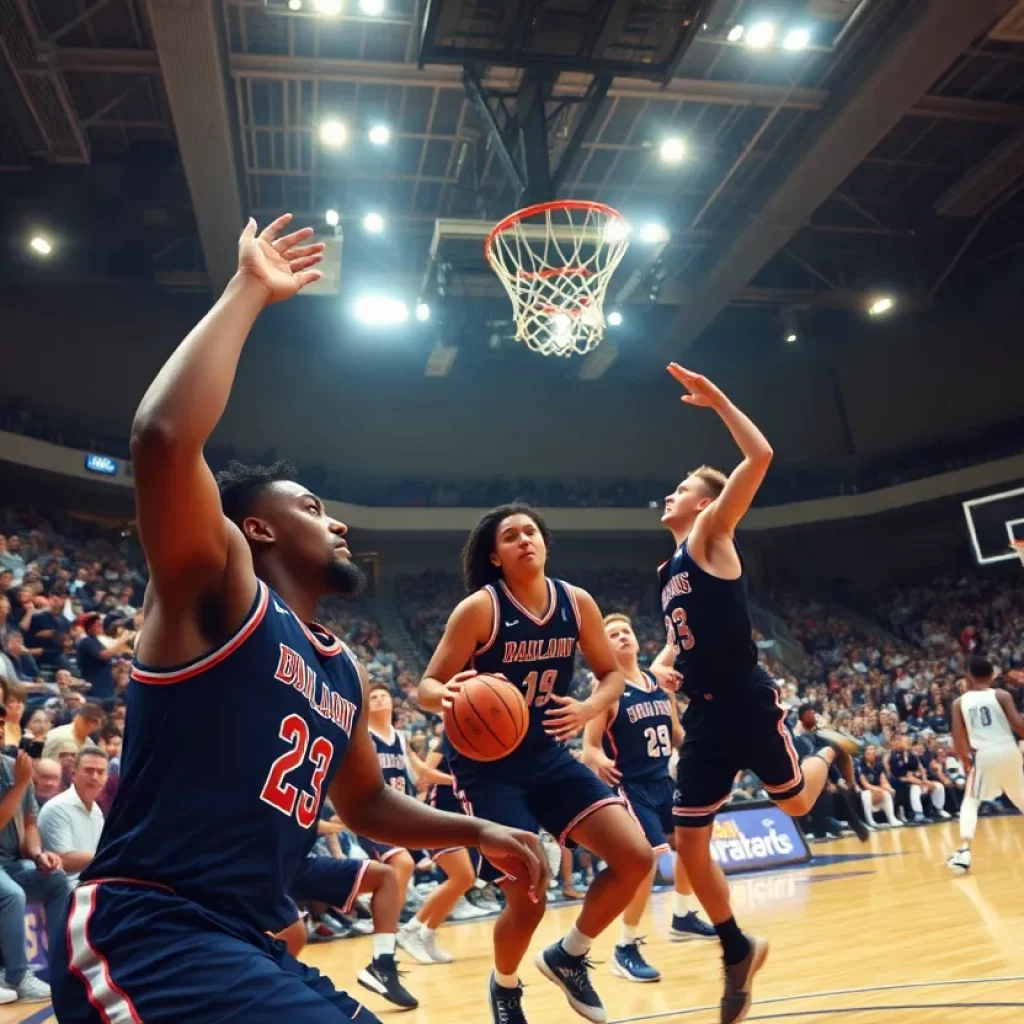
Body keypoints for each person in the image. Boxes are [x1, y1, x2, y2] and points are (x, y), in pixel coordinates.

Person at [49, 213, 546, 1024]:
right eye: (314, 508)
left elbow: (367, 807)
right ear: (259, 528)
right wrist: (250, 289)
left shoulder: (342, 668)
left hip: (243, 937)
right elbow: (163, 437)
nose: (338, 522)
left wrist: (480, 829)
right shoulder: (219, 590)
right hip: (150, 928)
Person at [652, 364, 863, 1024]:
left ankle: (831, 746)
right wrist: (664, 661)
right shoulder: (668, 571)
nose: (672, 493)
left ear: (706, 502)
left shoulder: (712, 535)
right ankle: (737, 948)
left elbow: (761, 455)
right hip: (705, 716)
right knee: (689, 846)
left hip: (746, 700)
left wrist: (716, 400)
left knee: (798, 799)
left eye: (683, 488)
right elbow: (680, 634)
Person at [418, 503, 654, 1024]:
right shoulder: (480, 609)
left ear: (545, 544)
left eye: (531, 532)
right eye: (510, 536)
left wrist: (591, 706)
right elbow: (425, 686)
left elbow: (610, 675)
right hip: (488, 770)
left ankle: (569, 955)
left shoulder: (577, 602)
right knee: (528, 895)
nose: (524, 540)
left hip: (549, 754)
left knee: (637, 857)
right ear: (496, 557)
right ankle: (505, 986)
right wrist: (449, 695)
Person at [582, 613, 714, 983]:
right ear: (603, 647)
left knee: (693, 842)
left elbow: (675, 734)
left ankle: (684, 916)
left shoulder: (659, 684)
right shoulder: (604, 689)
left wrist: (704, 755)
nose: (622, 637)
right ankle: (626, 948)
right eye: (612, 634)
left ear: (637, 641)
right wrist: (600, 760)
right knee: (647, 864)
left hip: (663, 783)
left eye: (626, 631)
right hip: (630, 787)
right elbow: (588, 748)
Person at [352, 682, 454, 966]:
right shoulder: (362, 736)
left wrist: (454, 781)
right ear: (366, 706)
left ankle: (387, 925)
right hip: (372, 814)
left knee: (447, 867)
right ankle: (387, 930)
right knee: (404, 864)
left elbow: (421, 771)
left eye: (385, 695)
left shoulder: (399, 736)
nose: (381, 699)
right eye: (374, 696)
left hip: (399, 814)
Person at [0, 740, 71, 1003]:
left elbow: (30, 824)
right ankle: (17, 977)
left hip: (12, 862)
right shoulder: (21, 776)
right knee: (11, 895)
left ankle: (59, 964)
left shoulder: (15, 768)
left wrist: (39, 853)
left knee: (56, 879)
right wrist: (19, 785)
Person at [946, 655, 1024, 873]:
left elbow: (958, 739)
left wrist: (964, 761)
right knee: (1020, 796)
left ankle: (963, 851)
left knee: (970, 802)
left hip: (985, 753)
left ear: (968, 676)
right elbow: (1019, 727)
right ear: (992, 675)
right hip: (1009, 749)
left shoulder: (959, 703)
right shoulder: (1002, 695)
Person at [38, 748, 109, 882]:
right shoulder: (57, 808)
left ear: (106, 778)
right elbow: (63, 859)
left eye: (100, 772)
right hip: (68, 887)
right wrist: (109, 854)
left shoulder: (97, 812)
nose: (94, 777)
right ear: (73, 774)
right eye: (88, 770)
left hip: (92, 882)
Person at [75, 612, 133, 707]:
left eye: (100, 623)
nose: (100, 626)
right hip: (95, 688)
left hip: (106, 686)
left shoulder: (98, 640)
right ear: (89, 627)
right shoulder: (86, 641)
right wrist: (122, 639)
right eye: (97, 624)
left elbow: (110, 656)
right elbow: (103, 656)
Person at [855, 745, 902, 829]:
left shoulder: (879, 765)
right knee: (867, 794)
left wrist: (889, 788)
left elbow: (883, 781)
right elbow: (865, 784)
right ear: (864, 753)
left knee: (887, 793)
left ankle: (892, 819)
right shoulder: (860, 764)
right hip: (862, 792)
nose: (872, 752)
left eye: (873, 750)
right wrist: (879, 789)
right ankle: (870, 821)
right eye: (869, 750)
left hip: (877, 791)